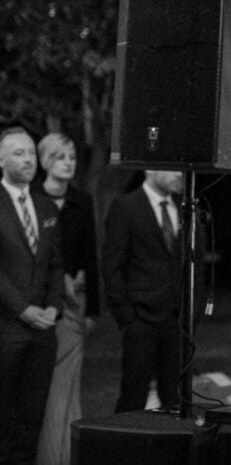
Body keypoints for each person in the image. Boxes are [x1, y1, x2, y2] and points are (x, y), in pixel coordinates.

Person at [33, 133, 99, 465]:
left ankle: (64, 454)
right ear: (46, 161)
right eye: (61, 157)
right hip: (40, 303)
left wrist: (93, 311)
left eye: (72, 157)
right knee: (42, 385)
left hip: (75, 306)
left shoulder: (81, 201)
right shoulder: (30, 197)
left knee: (68, 385)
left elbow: (90, 256)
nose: (69, 163)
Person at [0, 126, 64, 464]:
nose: (28, 159)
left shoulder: (46, 207)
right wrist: (22, 308)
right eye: (18, 153)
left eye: (30, 153)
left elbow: (55, 264)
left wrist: (54, 306)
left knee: (32, 415)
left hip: (43, 331)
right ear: (1, 160)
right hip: (6, 327)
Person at [102, 169, 184, 412]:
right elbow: (112, 264)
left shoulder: (186, 208)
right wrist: (126, 316)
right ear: (150, 169)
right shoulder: (126, 206)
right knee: (134, 394)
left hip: (177, 319)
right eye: (171, 168)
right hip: (140, 317)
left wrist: (193, 310)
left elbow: (196, 262)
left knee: (176, 398)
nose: (179, 174)